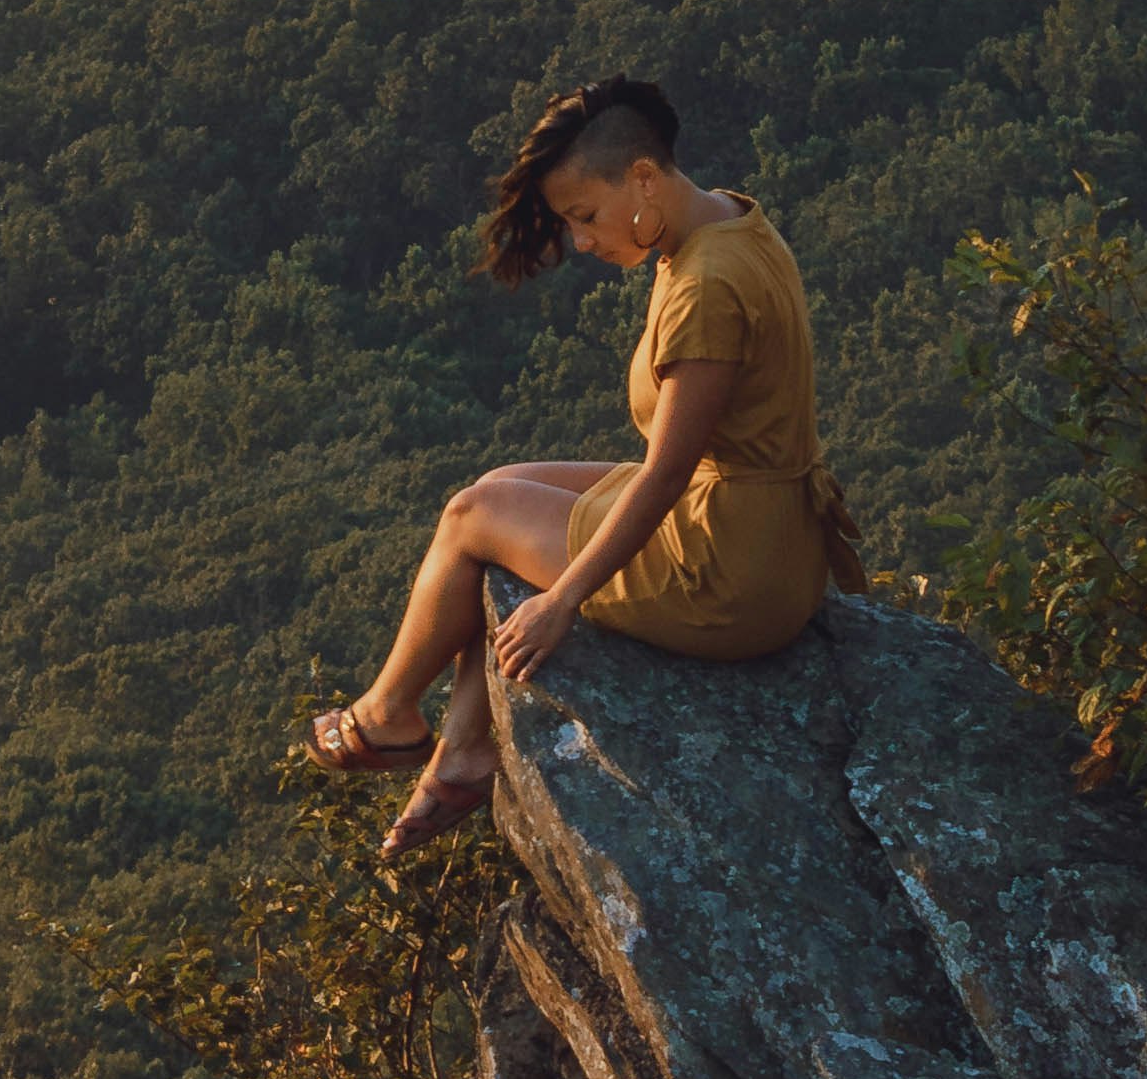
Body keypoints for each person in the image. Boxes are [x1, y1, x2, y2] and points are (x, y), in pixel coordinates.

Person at [306, 74, 862, 861]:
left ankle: (388, 715)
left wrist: (564, 597)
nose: (583, 242)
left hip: (731, 572)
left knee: (473, 520)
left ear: (641, 177)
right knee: (497, 488)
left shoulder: (704, 284)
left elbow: (665, 473)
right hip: (757, 523)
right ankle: (463, 746)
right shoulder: (731, 221)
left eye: (584, 215)